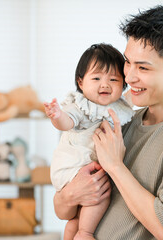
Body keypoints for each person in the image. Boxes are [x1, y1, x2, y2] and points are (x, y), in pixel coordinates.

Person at [53, 5, 163, 240]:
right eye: (128, 62)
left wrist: (115, 167)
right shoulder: (121, 120)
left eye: (143, 67)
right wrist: (70, 195)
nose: (128, 76)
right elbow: (62, 209)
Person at [44, 43, 134, 240]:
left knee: (75, 218)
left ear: (124, 84)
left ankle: (73, 233)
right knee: (101, 194)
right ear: (81, 82)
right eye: (96, 78)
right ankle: (86, 233)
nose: (105, 84)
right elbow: (67, 122)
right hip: (75, 167)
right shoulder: (82, 106)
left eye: (113, 79)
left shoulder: (121, 108)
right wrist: (57, 115)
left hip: (84, 169)